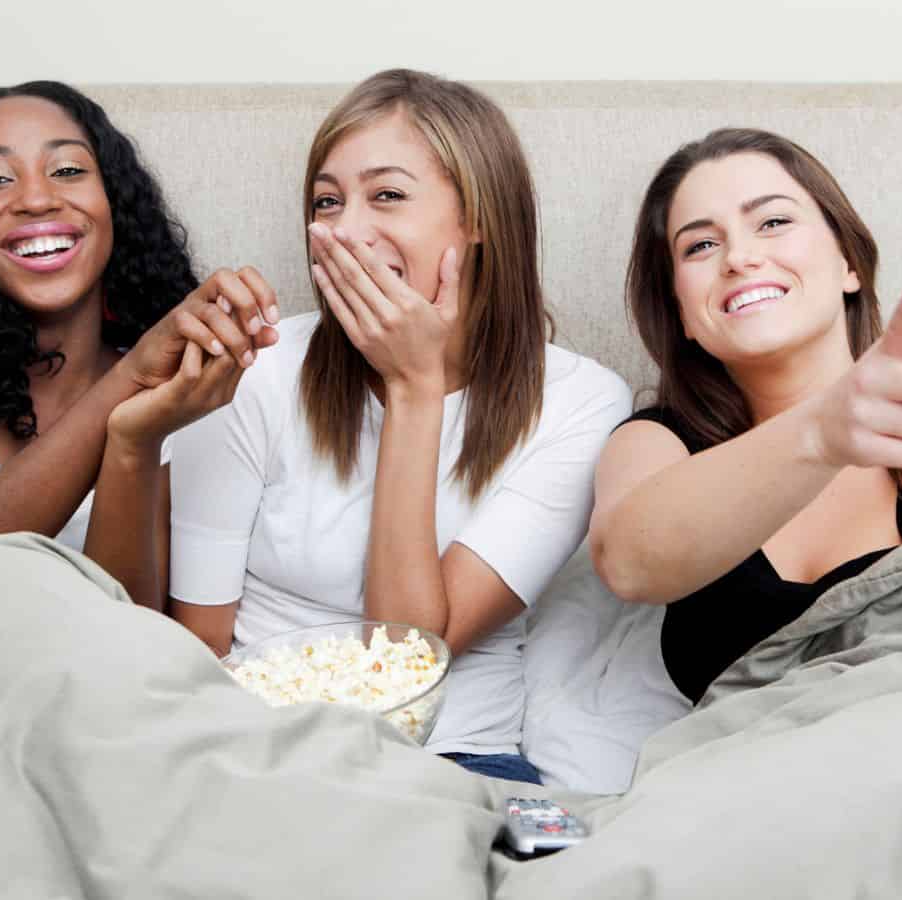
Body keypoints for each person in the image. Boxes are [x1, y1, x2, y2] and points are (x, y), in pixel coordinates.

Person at [167, 69, 630, 783]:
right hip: (260, 755)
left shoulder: (582, 402)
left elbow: (406, 652)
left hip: (454, 761)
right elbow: (197, 645)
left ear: (478, 218)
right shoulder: (255, 370)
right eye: (327, 201)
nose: (343, 231)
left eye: (386, 195)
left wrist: (417, 390)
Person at [588, 127, 902, 704]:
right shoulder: (657, 441)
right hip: (756, 767)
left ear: (848, 264)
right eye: (700, 246)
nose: (739, 257)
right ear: (682, 313)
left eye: (772, 222)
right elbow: (630, 565)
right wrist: (819, 432)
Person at [0, 80, 278, 613]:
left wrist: (135, 437)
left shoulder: (159, 380)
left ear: (114, 205)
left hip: (49, 680)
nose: (35, 199)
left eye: (67, 171)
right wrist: (127, 384)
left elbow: (131, 631)